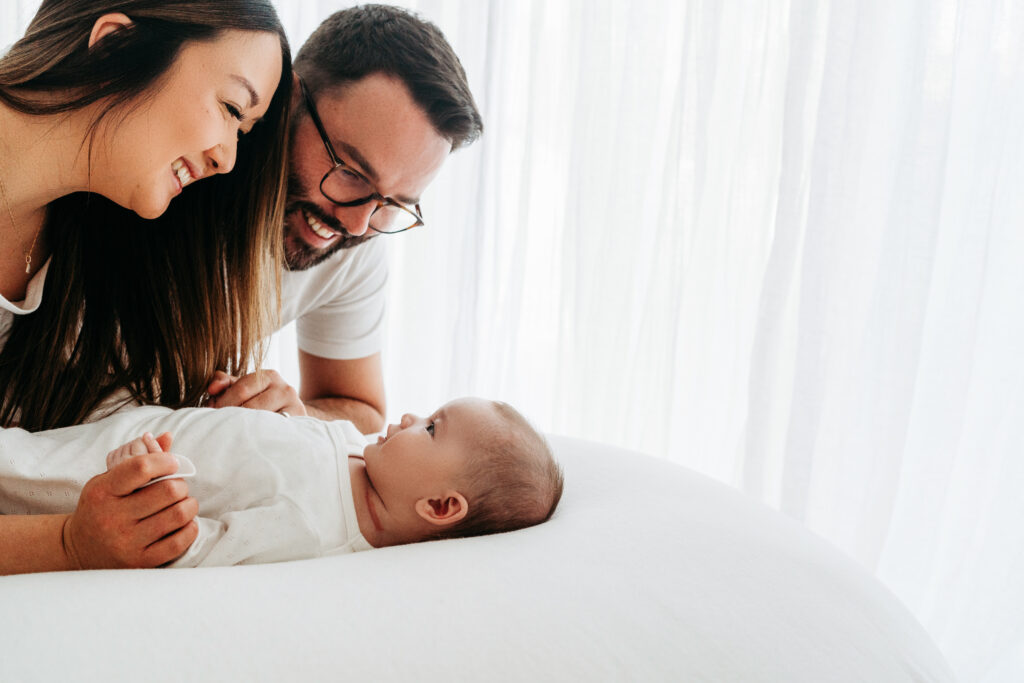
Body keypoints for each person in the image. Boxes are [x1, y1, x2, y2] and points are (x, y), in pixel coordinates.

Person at [0, 0, 293, 573]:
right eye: (232, 107)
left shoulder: (86, 257)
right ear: (114, 46)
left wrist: (253, 437)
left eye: (244, 130)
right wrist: (66, 544)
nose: (228, 159)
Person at [204, 5, 484, 434]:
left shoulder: (361, 239)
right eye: (351, 173)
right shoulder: (186, 167)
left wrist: (295, 416)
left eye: (393, 202)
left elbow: (362, 411)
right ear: (288, 97)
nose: (356, 225)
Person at [0, 398, 565, 570]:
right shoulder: (354, 446)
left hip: (103, 479)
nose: (410, 418)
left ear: (440, 505)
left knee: (20, 475)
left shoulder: (313, 530)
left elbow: (195, 546)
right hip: (102, 427)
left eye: (432, 428)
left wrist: (145, 480)